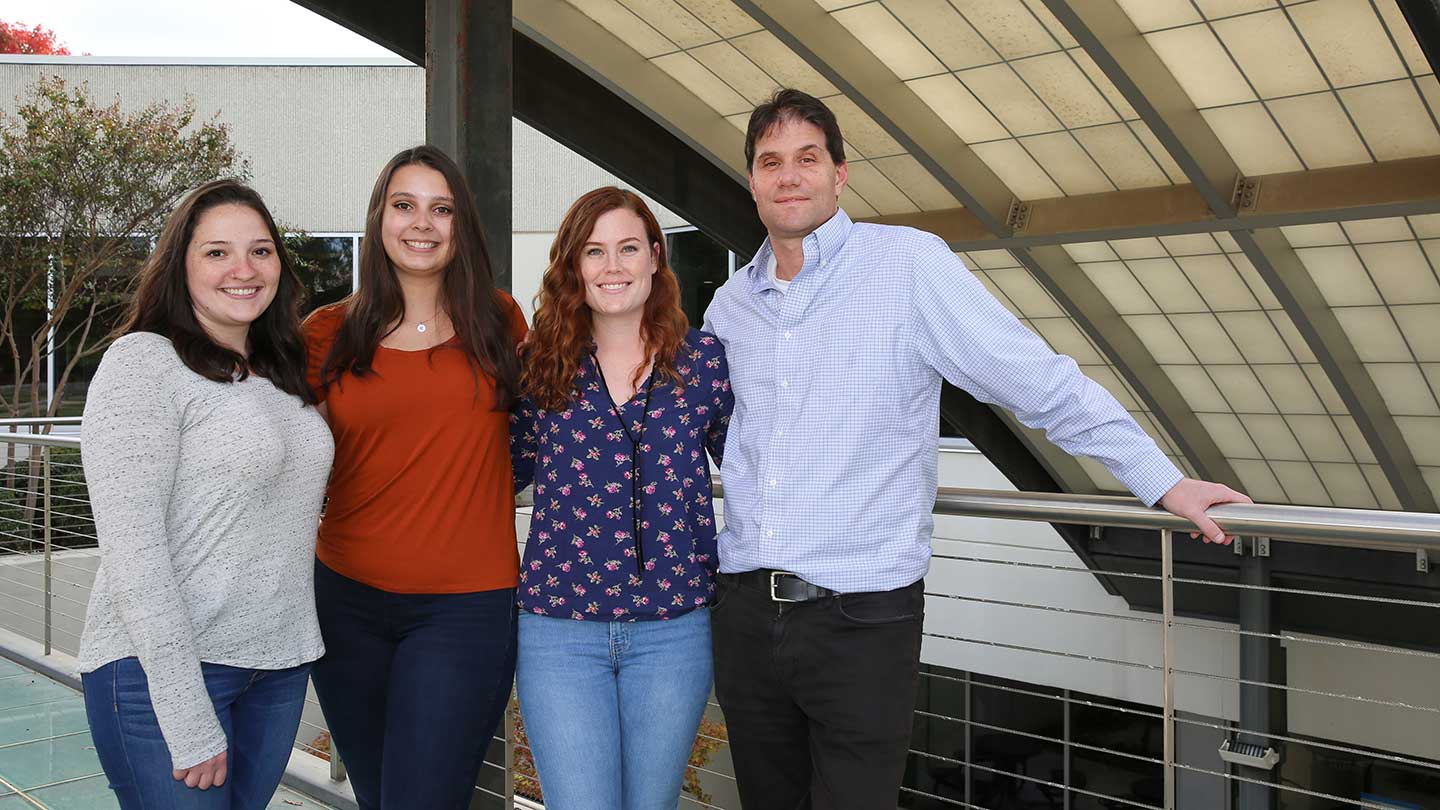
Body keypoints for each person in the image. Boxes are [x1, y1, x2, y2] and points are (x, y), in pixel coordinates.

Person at [702, 88, 1253, 809]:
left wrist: (1160, 481)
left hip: (859, 619)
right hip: (744, 613)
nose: (788, 176)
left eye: (808, 158)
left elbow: (1035, 379)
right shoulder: (730, 305)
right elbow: (722, 439)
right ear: (752, 181)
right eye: (770, 162)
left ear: (840, 174)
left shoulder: (906, 267)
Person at [78, 179, 333, 810]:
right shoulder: (145, 362)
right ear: (179, 266)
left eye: (261, 250)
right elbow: (132, 550)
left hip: (275, 669)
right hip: (161, 673)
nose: (243, 270)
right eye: (217, 252)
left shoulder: (278, 372)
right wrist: (186, 715)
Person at [303, 145, 526, 809]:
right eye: (404, 205)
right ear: (379, 219)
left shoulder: (501, 323)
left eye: (441, 208)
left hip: (466, 609)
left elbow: (546, 438)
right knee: (380, 797)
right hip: (343, 604)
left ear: (461, 227)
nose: (421, 223)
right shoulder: (326, 333)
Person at [510, 186, 732, 809]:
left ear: (656, 257)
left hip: (674, 630)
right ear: (573, 267)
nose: (612, 267)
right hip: (560, 631)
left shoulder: (703, 364)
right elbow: (493, 471)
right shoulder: (540, 366)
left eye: (628, 248)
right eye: (594, 252)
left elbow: (755, 467)